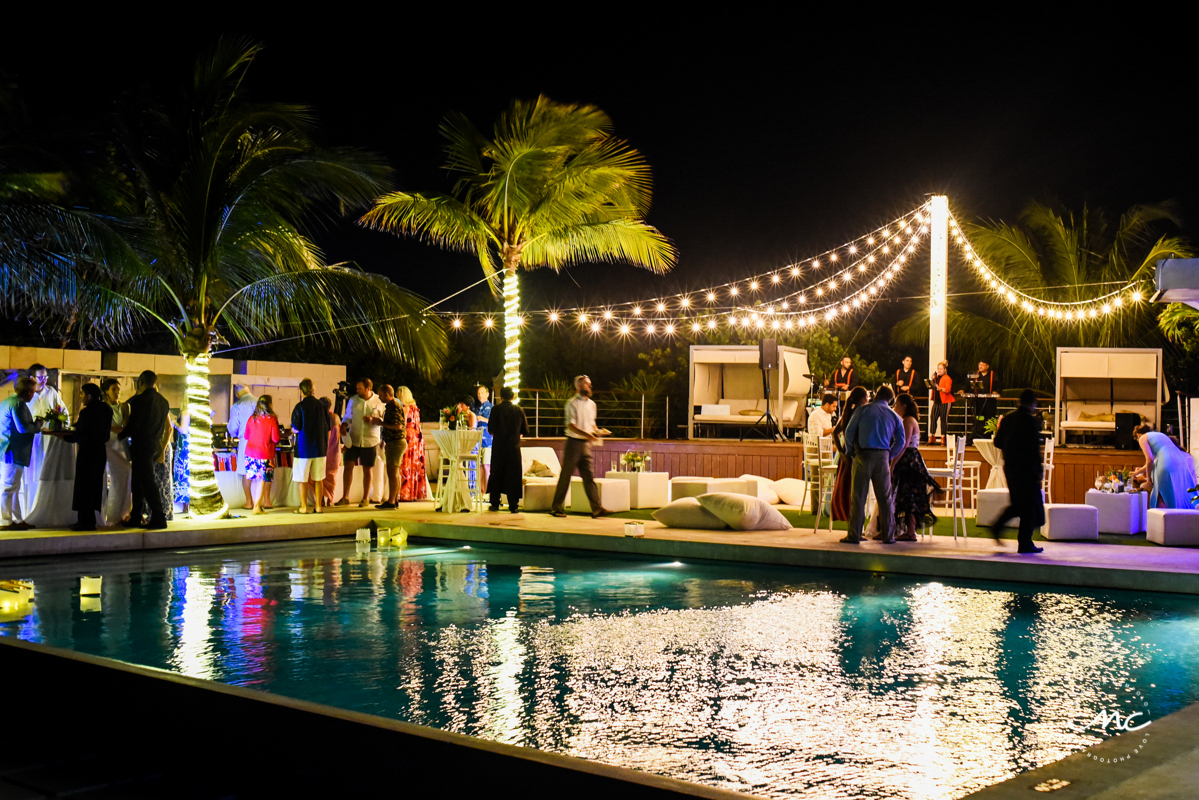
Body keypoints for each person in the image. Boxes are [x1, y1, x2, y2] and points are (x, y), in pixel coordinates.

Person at [842, 385, 905, 544]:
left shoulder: (863, 410)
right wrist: (890, 454)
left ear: (876, 394)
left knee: (859, 497)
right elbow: (901, 440)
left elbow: (849, 432)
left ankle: (854, 534)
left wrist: (851, 451)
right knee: (885, 498)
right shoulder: (894, 415)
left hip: (863, 454)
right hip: (883, 455)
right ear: (890, 399)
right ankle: (888, 536)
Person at [46, 383, 112, 531]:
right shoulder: (106, 409)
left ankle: (85, 522)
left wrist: (63, 436)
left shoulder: (87, 412)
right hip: (100, 452)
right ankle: (90, 519)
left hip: (88, 452)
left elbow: (81, 434)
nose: (80, 397)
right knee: (94, 486)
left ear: (89, 396)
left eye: (82, 394)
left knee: (84, 486)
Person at [991, 389, 1046, 554]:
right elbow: (1034, 450)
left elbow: (997, 442)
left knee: (1019, 503)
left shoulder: (1008, 419)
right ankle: (1024, 542)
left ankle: (999, 526)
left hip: (1011, 467)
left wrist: (1010, 449)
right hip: (1027, 469)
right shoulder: (1030, 421)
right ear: (1032, 404)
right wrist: (1038, 470)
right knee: (1028, 506)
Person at [23, 363, 75, 528]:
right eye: (40, 377)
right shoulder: (26, 397)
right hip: (32, 441)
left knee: (45, 471)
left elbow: (63, 412)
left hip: (48, 440)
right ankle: (29, 509)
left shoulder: (51, 393)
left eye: (46, 376)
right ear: (32, 378)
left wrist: (57, 422)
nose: (44, 380)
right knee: (31, 474)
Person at [550, 375, 609, 518]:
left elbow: (592, 424)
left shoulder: (592, 405)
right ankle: (556, 507)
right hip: (573, 443)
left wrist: (598, 431)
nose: (590, 387)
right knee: (566, 476)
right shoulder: (571, 404)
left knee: (589, 476)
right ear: (578, 386)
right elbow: (571, 425)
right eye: (587, 385)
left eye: (590, 385)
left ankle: (597, 508)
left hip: (586, 445)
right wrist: (588, 435)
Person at [123, 370, 171, 530]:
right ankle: (136, 515)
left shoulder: (139, 401)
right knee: (139, 481)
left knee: (147, 481)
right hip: (154, 445)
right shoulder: (163, 402)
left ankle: (158, 516)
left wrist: (121, 433)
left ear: (141, 382)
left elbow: (133, 425)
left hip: (141, 445)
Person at [889, 393, 939, 541]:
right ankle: (909, 530)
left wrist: (893, 463)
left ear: (904, 406)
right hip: (913, 458)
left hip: (908, 461)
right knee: (908, 494)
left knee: (907, 494)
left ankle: (910, 531)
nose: (894, 407)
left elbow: (903, 445)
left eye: (896, 404)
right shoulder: (911, 420)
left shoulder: (907, 421)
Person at [1, 377, 42, 530]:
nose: (33, 394)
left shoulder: (7, 401)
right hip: (13, 450)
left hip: (7, 449)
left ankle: (17, 520)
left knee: (13, 488)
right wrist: (38, 424)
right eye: (32, 391)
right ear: (29, 392)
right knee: (8, 487)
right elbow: (23, 428)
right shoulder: (18, 404)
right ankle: (5, 521)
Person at [336, 378, 384, 507]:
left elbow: (383, 419)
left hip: (370, 440)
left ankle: (365, 498)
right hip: (354, 438)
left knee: (367, 469)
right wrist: (344, 424)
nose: (357, 391)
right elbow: (347, 415)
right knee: (348, 466)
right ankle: (345, 497)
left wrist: (373, 419)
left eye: (360, 388)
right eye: (357, 388)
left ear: (368, 389)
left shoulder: (379, 401)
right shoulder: (353, 400)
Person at [1133, 424, 1197, 510]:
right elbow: (1155, 461)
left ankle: (1161, 518)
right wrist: (1137, 473)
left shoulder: (1142, 438)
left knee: (1161, 492)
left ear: (1138, 435)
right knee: (1177, 491)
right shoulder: (1160, 435)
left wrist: (1148, 479)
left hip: (1166, 462)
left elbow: (1150, 460)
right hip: (1179, 460)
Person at [292, 379, 331, 515]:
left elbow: (296, 428)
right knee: (318, 479)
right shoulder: (322, 406)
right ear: (313, 390)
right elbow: (328, 427)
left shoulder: (300, 407)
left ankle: (303, 507)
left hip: (304, 449)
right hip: (320, 448)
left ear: (301, 391)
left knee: (302, 479)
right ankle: (318, 506)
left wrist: (292, 431)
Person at [487, 386, 528, 513]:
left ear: (501, 396)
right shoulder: (519, 410)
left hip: (498, 448)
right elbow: (525, 430)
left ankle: (495, 502)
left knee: (496, 474)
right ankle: (513, 505)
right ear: (513, 397)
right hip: (513, 448)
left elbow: (491, 429)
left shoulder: (495, 409)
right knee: (513, 475)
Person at [831, 386, 869, 522]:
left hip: (846, 452)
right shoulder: (860, 413)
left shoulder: (850, 412)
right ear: (864, 399)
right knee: (852, 489)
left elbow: (835, 432)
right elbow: (836, 432)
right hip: (854, 453)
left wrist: (841, 451)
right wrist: (841, 452)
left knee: (846, 487)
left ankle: (850, 517)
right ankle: (853, 518)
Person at [100, 378, 133, 526]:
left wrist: (114, 428)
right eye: (114, 389)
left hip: (119, 443)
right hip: (105, 442)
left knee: (124, 473)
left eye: (118, 389)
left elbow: (126, 427)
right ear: (106, 391)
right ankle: (101, 513)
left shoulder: (125, 407)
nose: (117, 392)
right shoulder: (102, 407)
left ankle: (120, 513)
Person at [244, 395, 280, 515]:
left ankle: (256, 505)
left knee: (255, 480)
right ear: (270, 405)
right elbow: (275, 438)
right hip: (264, 454)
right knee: (261, 481)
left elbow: (246, 436)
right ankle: (257, 507)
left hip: (249, 453)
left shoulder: (252, 418)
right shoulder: (272, 419)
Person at [375, 384, 406, 510]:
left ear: (387, 394)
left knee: (392, 472)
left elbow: (398, 425)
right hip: (394, 441)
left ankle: (392, 500)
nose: (380, 398)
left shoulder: (393, 406)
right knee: (395, 472)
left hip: (396, 442)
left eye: (381, 395)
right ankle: (395, 499)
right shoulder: (394, 405)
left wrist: (381, 423)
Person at [228, 385, 258, 510]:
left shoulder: (237, 405)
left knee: (246, 472)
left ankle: (249, 502)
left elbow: (233, 428)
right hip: (262, 441)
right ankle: (264, 501)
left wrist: (233, 433)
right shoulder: (259, 401)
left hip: (245, 441)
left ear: (238, 395)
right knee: (262, 472)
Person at [396, 386, 427, 501]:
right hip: (417, 438)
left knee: (406, 465)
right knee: (415, 466)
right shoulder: (415, 407)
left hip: (408, 437)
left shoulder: (405, 408)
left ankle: (405, 493)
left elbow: (402, 423)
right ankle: (415, 493)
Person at [319, 397, 342, 507]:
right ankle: (329, 500)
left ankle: (321, 500)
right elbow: (341, 433)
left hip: (323, 450)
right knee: (332, 476)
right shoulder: (335, 417)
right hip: (335, 450)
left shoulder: (320, 418)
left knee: (321, 475)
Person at [471, 385, 494, 494]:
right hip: (477, 441)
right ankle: (480, 491)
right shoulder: (476, 408)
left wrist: (483, 419)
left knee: (486, 466)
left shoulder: (492, 407)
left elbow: (494, 422)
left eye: (482, 393)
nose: (480, 395)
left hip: (488, 441)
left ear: (487, 394)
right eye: (479, 393)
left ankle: (488, 491)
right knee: (479, 466)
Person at [970, 361, 1000, 439]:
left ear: (987, 366)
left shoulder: (993, 375)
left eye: (983, 365)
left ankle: (987, 437)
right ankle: (977, 435)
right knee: (978, 418)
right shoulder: (976, 375)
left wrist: (996, 391)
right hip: (978, 401)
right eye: (979, 365)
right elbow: (968, 385)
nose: (980, 367)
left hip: (989, 402)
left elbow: (999, 386)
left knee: (989, 418)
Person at [929, 360, 954, 445]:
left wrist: (941, 389)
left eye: (941, 369)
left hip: (945, 401)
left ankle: (943, 437)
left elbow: (948, 389)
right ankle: (932, 436)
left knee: (943, 419)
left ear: (944, 370)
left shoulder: (947, 378)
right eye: (938, 369)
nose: (939, 370)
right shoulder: (935, 378)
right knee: (933, 418)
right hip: (937, 401)